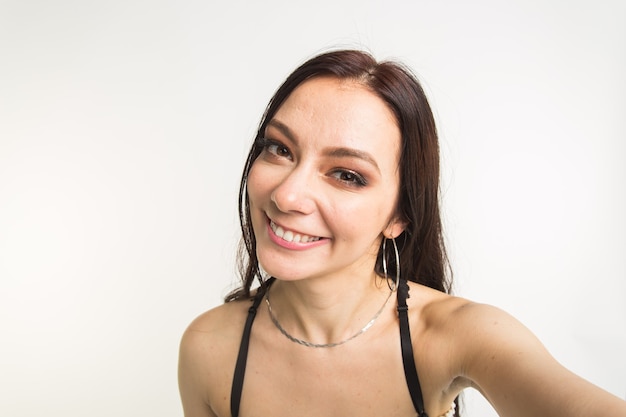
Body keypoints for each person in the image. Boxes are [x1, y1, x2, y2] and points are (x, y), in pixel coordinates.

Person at [178, 49, 626, 417]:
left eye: (346, 174)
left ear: (400, 216)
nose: (288, 195)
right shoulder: (210, 349)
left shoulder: (457, 335)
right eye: (280, 148)